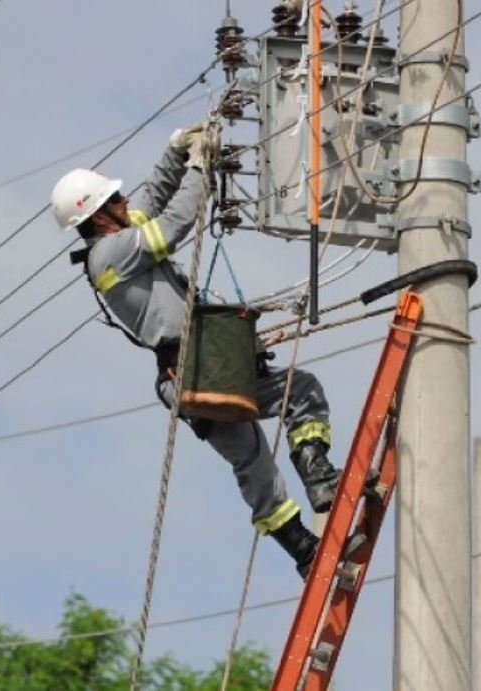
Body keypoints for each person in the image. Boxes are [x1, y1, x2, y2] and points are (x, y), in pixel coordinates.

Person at [50, 125, 341, 578]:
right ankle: (312, 509)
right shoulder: (110, 254)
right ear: (100, 215)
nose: (126, 202)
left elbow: (154, 202)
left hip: (194, 369)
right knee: (281, 416)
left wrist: (176, 151)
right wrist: (200, 167)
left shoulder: (118, 241)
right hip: (197, 368)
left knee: (265, 437)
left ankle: (309, 516)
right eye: (117, 199)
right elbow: (174, 222)